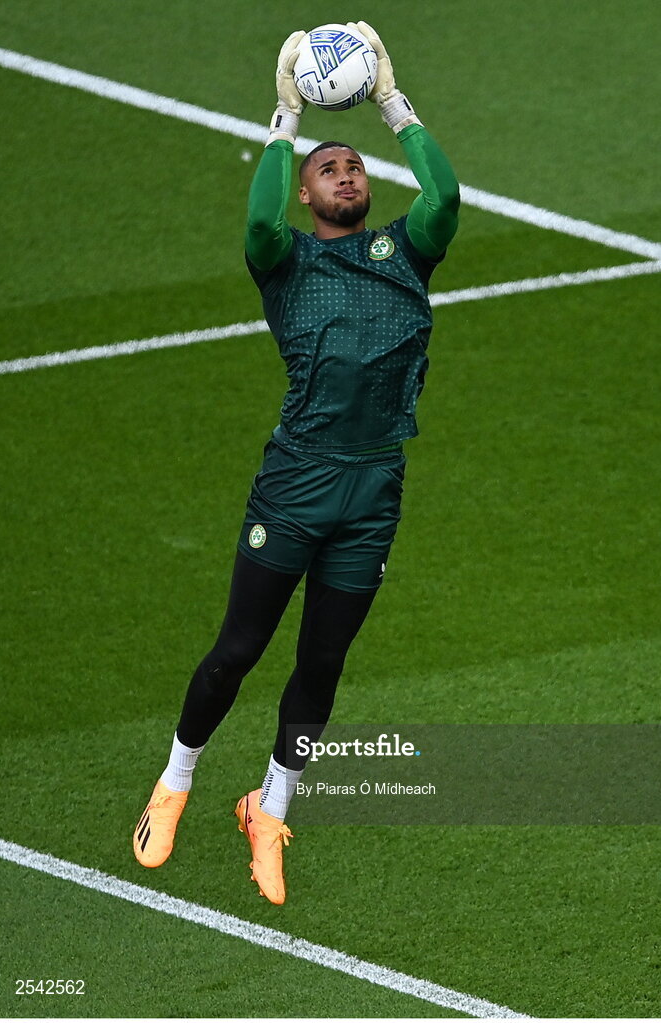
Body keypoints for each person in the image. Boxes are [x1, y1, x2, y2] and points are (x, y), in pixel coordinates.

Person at [133, 22, 459, 905]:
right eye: (329, 168)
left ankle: (270, 810)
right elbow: (255, 216)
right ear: (309, 194)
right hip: (299, 478)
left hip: (375, 487)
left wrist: (394, 103)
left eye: (354, 165)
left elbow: (447, 194)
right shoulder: (285, 262)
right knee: (239, 649)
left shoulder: (407, 252)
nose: (346, 173)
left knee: (323, 666)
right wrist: (285, 119)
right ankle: (176, 781)